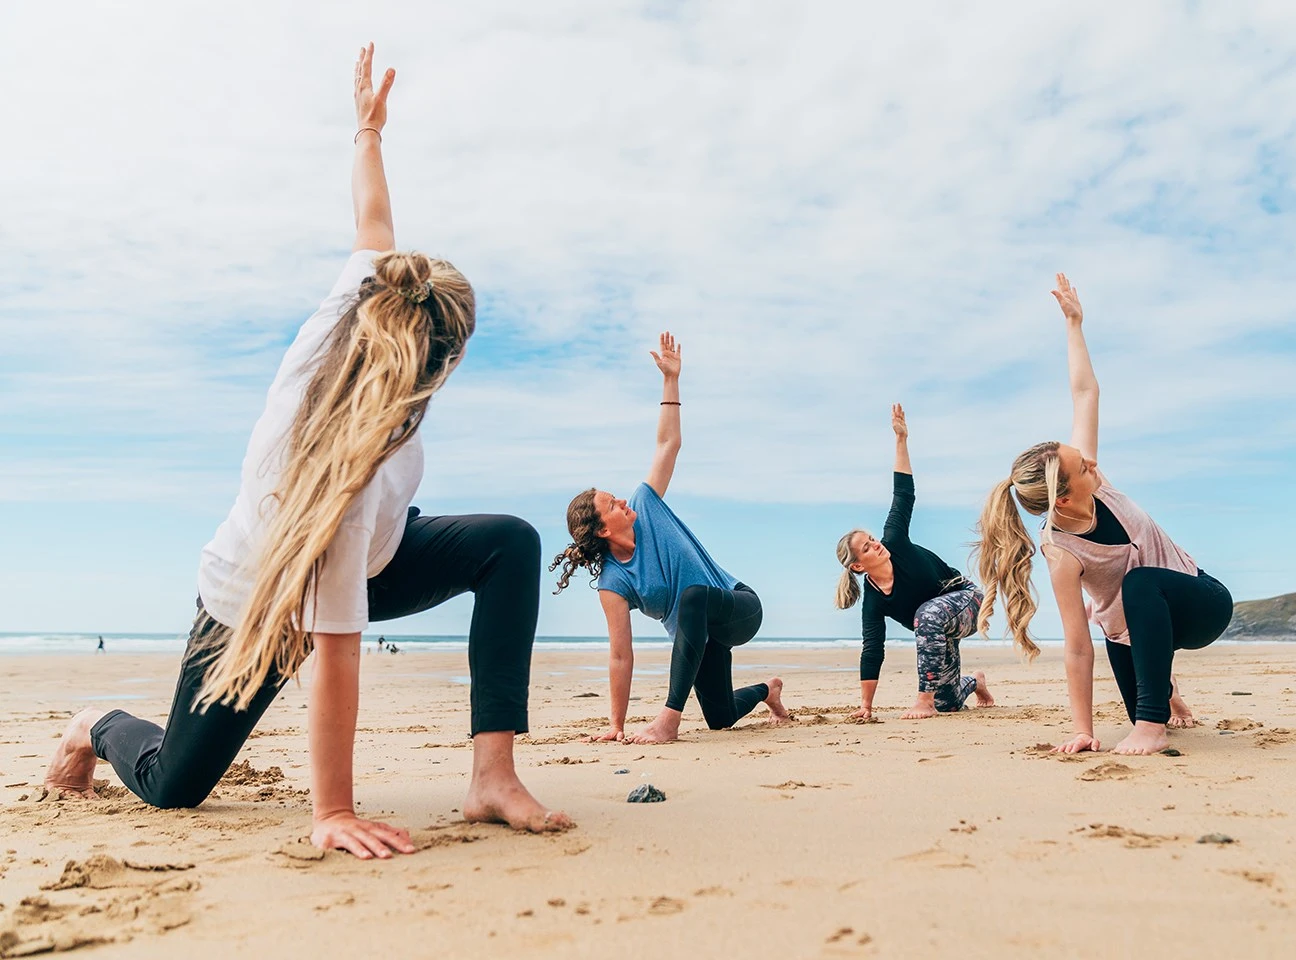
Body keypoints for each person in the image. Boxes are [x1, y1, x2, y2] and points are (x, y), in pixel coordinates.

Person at [42, 44, 571, 855]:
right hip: (256, 596)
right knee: (174, 785)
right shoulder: (340, 483)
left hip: (375, 555)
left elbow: (373, 222)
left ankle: (491, 777)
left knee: (508, 544)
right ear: (450, 360)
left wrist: (367, 132)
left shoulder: (364, 296)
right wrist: (333, 811)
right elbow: (335, 654)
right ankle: (94, 723)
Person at [974, 274, 1230, 755]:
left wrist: (1074, 324)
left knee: (1139, 585)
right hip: (1131, 636)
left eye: (1082, 456)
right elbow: (1076, 645)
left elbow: (1085, 394)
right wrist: (1082, 730)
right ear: (1063, 499)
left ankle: (1152, 726)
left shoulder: (1096, 483)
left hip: (1201, 604)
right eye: (1081, 465)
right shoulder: (1061, 551)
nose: (1091, 462)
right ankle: (1162, 699)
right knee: (1122, 636)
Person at [550, 333, 789, 745]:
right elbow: (620, 655)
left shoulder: (647, 504)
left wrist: (671, 381)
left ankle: (668, 720)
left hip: (737, 607)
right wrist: (616, 725)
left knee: (693, 596)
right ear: (604, 529)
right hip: (697, 639)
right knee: (720, 717)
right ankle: (770, 692)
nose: (623, 498)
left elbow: (668, 443)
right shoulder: (613, 584)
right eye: (611, 502)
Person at [835, 404, 995, 720]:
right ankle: (975, 682)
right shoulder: (874, 603)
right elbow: (872, 650)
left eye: (873, 540)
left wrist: (901, 439)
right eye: (867, 548)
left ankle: (923, 701)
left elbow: (903, 494)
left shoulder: (894, 540)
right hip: (937, 630)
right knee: (948, 703)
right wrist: (866, 707)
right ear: (858, 566)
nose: (876, 546)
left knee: (927, 613)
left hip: (968, 602)